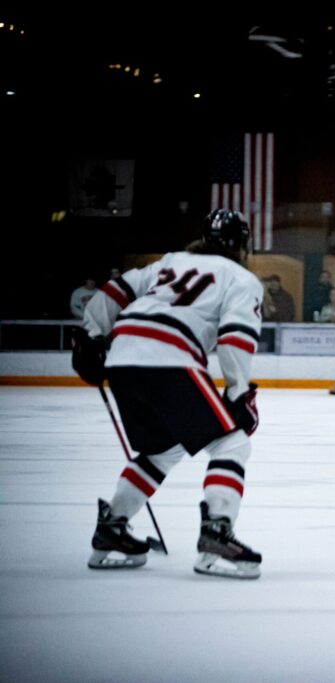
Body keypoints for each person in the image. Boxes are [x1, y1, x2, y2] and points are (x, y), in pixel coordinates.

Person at [73, 209, 264, 579]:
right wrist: (238, 393)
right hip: (170, 356)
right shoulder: (242, 278)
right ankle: (217, 531)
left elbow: (111, 293)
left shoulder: (170, 262)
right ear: (242, 245)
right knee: (232, 445)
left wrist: (92, 337)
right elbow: (236, 337)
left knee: (162, 449)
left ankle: (113, 527)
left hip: (123, 354)